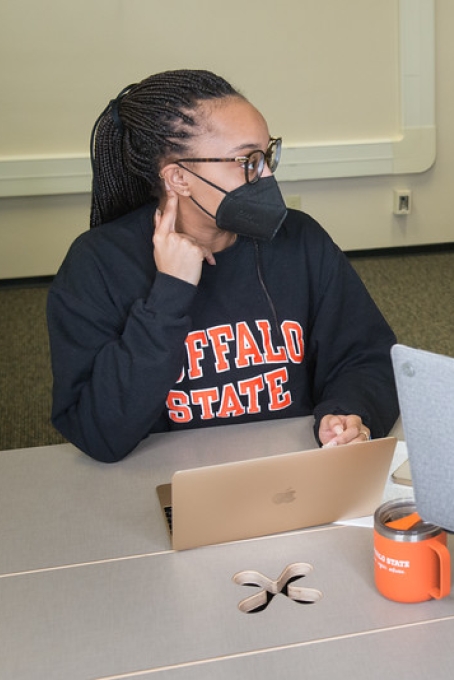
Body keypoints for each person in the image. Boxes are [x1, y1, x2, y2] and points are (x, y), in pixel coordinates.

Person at [47, 69, 399, 463]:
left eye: (267, 155)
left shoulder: (299, 241)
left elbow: (366, 356)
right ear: (178, 177)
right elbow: (99, 433)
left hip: (292, 469)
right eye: (247, 161)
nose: (266, 175)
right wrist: (169, 294)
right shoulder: (97, 264)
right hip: (163, 482)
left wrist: (351, 412)